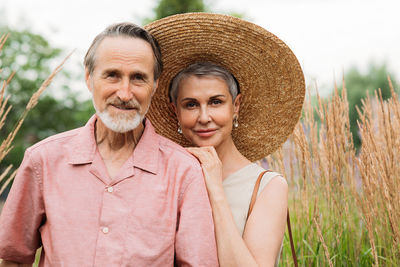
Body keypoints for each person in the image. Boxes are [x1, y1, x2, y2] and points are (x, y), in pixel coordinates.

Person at [0, 22, 218, 267]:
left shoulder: (184, 171)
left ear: (155, 85)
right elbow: (14, 259)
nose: (125, 94)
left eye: (138, 78)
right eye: (112, 75)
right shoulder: (42, 161)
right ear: (89, 77)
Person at [145, 13, 305, 266]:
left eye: (216, 102)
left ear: (236, 106)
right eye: (191, 105)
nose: (204, 117)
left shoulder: (266, 186)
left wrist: (215, 190)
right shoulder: (163, 177)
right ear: (175, 111)